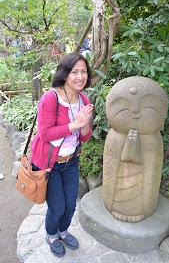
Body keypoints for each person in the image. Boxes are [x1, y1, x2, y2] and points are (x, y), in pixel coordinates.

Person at [30, 53, 93, 257]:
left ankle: (63, 232)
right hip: (50, 165)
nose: (80, 77)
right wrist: (75, 123)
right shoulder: (51, 98)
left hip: (71, 162)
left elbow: (84, 136)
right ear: (65, 74)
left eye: (83, 72)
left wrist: (83, 125)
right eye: (74, 72)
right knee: (56, 208)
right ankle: (51, 235)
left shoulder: (83, 99)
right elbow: (45, 134)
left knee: (70, 205)